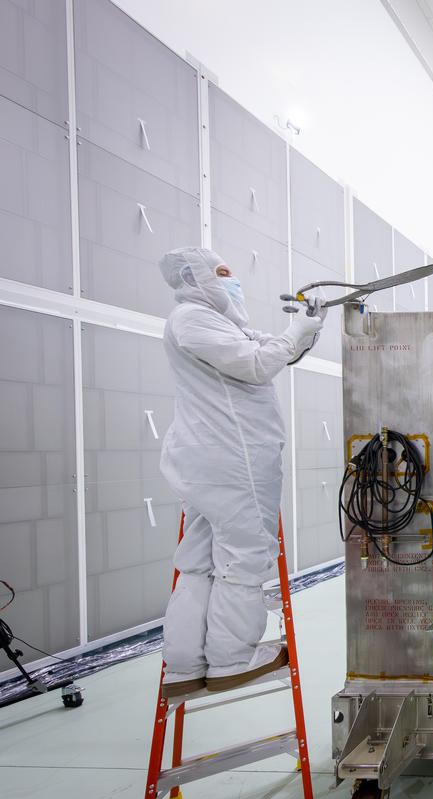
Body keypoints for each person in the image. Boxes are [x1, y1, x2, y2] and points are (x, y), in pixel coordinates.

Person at [157, 247, 326, 697]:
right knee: (244, 556)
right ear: (195, 278)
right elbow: (255, 364)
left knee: (197, 562)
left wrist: (304, 331)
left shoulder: (215, 322)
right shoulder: (193, 318)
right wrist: (294, 333)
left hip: (209, 460)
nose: (233, 281)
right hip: (233, 459)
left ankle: (185, 664)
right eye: (223, 273)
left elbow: (270, 351)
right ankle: (232, 659)